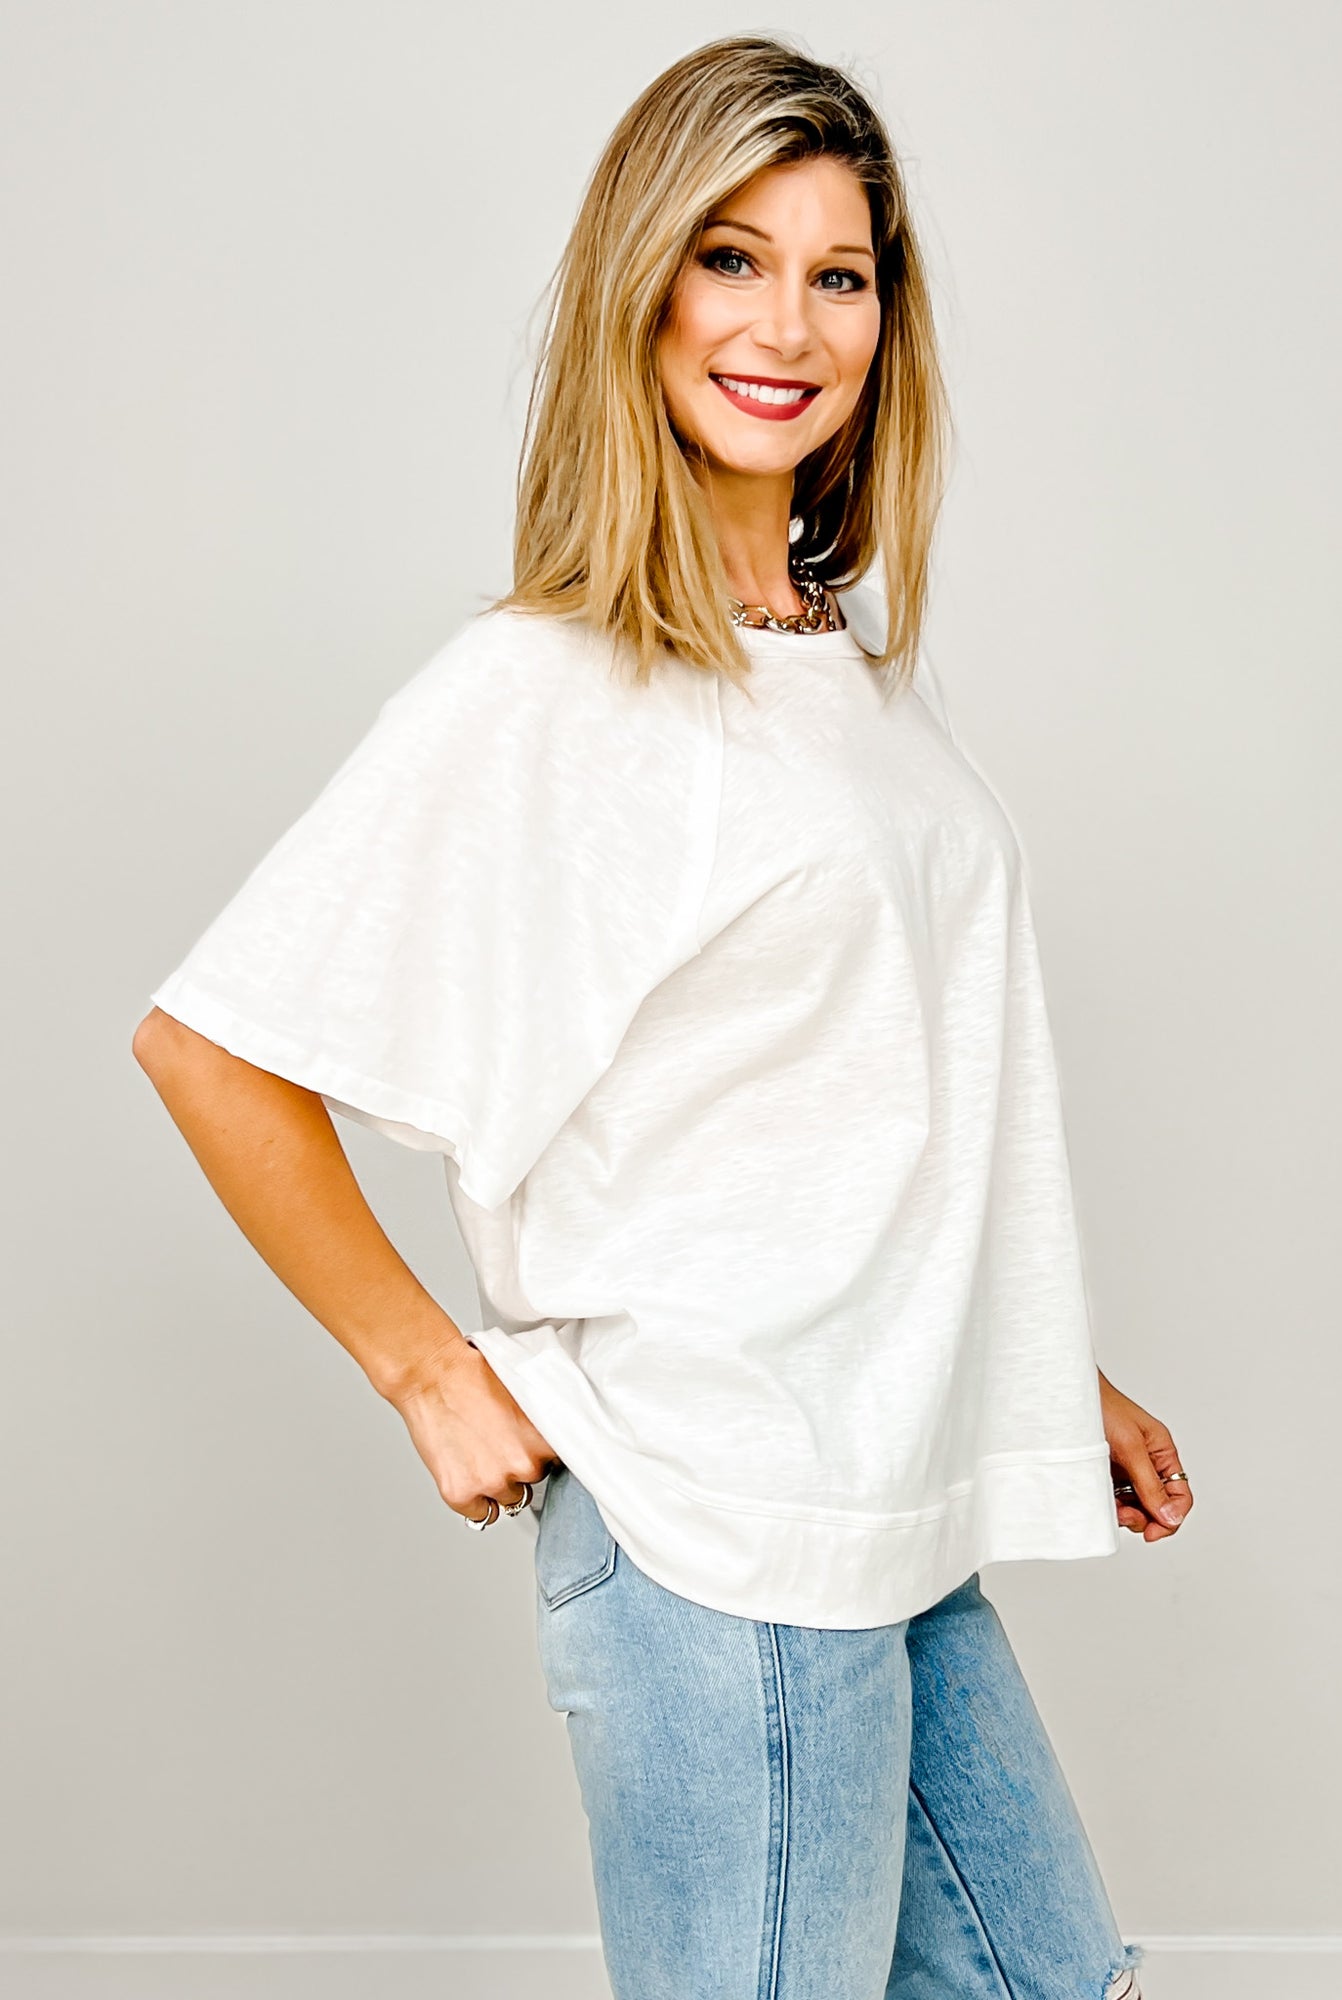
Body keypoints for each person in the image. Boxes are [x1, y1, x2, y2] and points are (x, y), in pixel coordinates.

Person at [133, 34, 1190, 2000]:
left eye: (838, 273)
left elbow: (852, 1101)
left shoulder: (852, 675)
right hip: (718, 1527)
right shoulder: (554, 688)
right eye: (730, 258)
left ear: (887, 319)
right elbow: (209, 1048)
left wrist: (1045, 1365)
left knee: (1050, 1984)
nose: (787, 324)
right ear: (645, 287)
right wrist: (428, 1373)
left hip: (884, 1500)